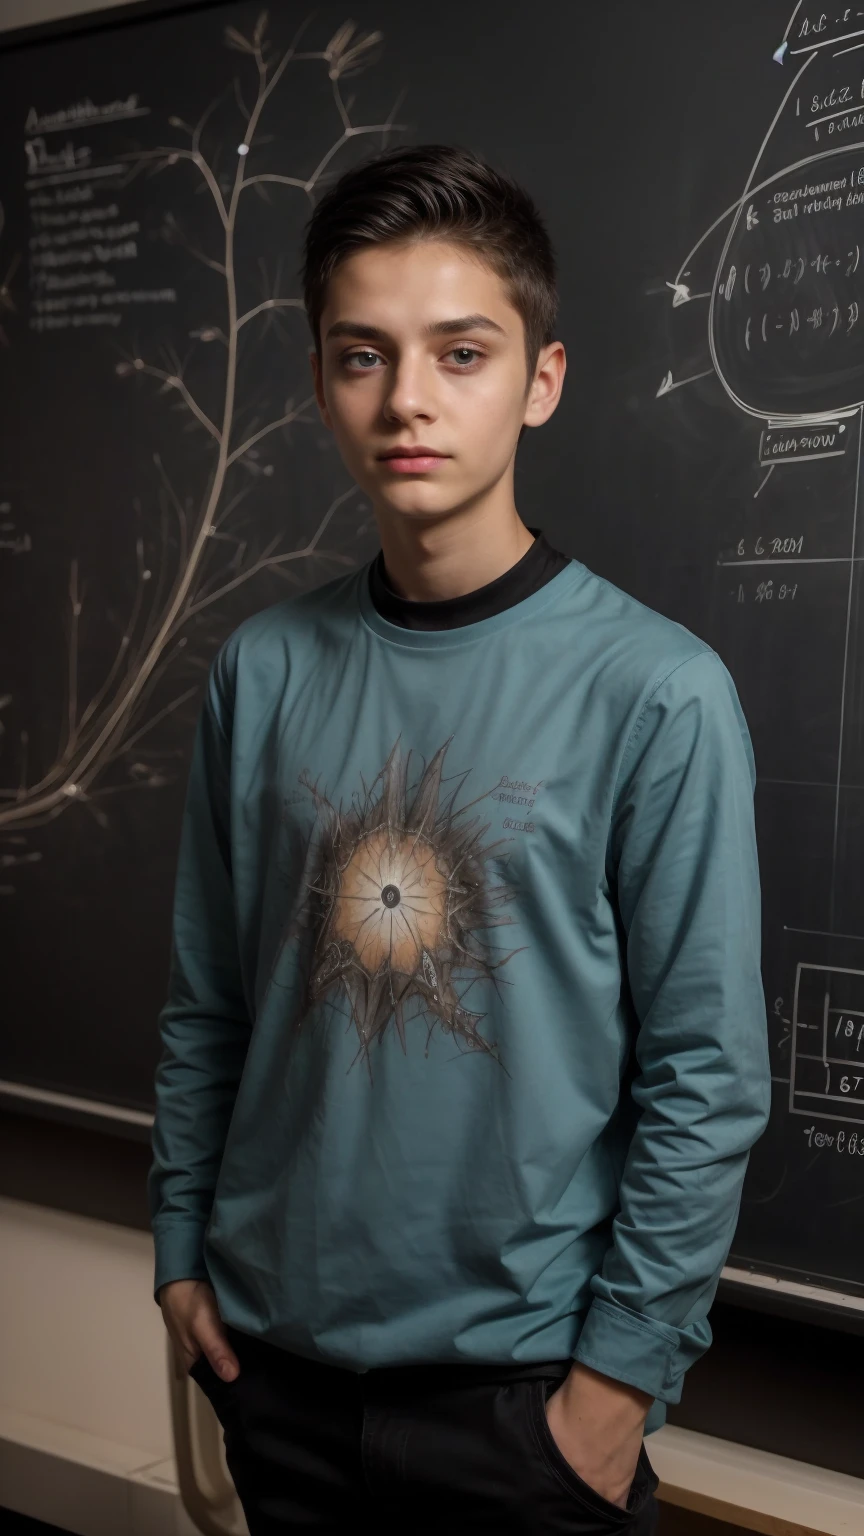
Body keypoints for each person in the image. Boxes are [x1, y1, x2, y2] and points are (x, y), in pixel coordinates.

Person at [148, 143, 771, 1534]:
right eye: (363, 356)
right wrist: (179, 1256)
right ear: (319, 382)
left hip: (523, 1412)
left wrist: (610, 1398)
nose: (408, 398)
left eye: (463, 352)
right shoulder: (260, 669)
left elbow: (707, 1082)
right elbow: (210, 1006)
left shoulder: (656, 694)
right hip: (276, 1379)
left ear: (540, 380)